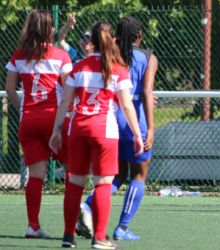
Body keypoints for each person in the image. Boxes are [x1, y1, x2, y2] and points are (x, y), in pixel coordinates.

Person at [49, 21, 144, 249]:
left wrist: (56, 129)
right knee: (103, 183)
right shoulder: (118, 68)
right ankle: (100, 237)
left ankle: (68, 237)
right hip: (104, 131)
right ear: (113, 40)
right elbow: (127, 105)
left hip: (78, 129)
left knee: (75, 183)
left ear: (90, 40)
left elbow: (65, 100)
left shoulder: (79, 66)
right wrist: (137, 134)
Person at [78, 16, 158, 241]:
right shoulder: (148, 57)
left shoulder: (110, 54)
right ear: (139, 36)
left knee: (117, 174)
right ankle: (121, 228)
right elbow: (146, 93)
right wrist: (150, 128)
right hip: (136, 123)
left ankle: (86, 205)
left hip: (111, 120)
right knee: (139, 175)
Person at [5, 9, 72, 239]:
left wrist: (23, 111)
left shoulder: (18, 56)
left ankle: (33, 226)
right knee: (74, 173)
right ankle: (70, 228)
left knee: (36, 176)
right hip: (55, 120)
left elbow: (11, 91)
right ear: (50, 30)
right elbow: (68, 92)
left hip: (29, 122)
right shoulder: (61, 56)